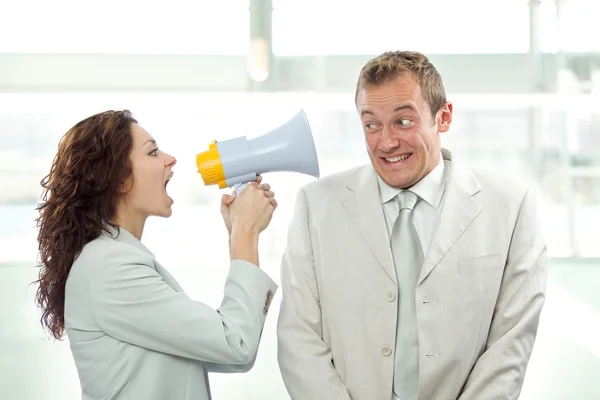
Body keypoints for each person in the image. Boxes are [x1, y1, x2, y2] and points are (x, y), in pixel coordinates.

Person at [277, 51, 547, 400]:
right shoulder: (316, 206)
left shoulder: (511, 206)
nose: (386, 142)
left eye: (403, 121)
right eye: (371, 124)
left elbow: (511, 342)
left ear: (443, 117)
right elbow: (298, 336)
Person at [34, 110, 278, 400]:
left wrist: (240, 230)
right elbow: (236, 343)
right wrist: (245, 233)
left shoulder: (111, 259)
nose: (170, 158)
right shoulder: (109, 267)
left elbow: (231, 354)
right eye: (152, 152)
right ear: (119, 180)